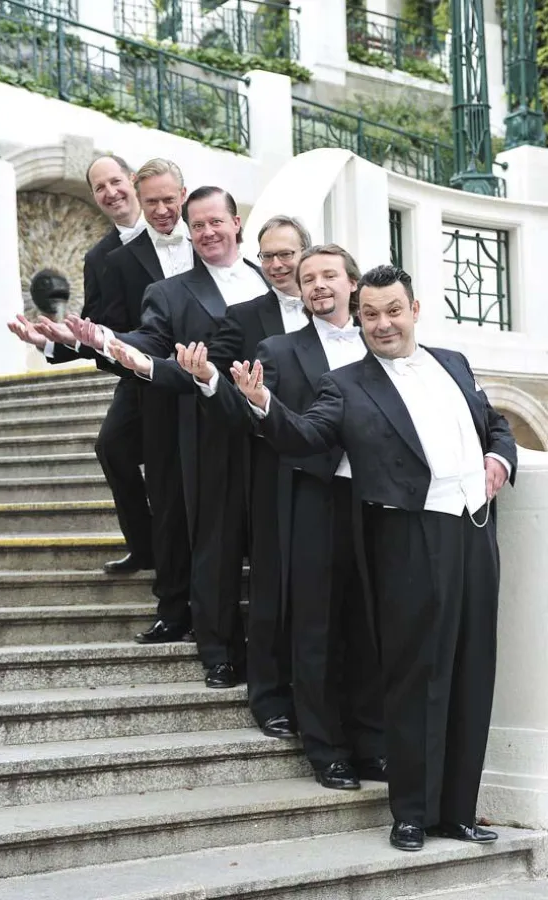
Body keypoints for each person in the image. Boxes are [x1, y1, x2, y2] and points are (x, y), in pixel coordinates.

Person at [230, 264, 516, 850]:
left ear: (415, 310)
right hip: (408, 539)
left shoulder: (454, 362)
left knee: (472, 670)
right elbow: (306, 436)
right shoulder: (347, 383)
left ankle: (458, 811)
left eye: (393, 311)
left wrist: (500, 459)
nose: (383, 324)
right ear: (358, 318)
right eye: (370, 315)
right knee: (415, 678)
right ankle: (411, 812)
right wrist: (263, 404)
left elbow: (497, 424)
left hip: (475, 533)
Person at [178, 245, 385, 788]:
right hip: (314, 502)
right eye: (307, 277)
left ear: (353, 284)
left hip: (380, 504)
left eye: (329, 276)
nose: (318, 285)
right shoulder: (278, 348)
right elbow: (244, 415)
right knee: (315, 629)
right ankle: (327, 750)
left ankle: (370, 742)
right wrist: (208, 382)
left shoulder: (380, 342)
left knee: (369, 626)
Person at [66, 187, 269, 689]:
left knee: (274, 546)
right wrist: (105, 341)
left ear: (236, 222)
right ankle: (218, 651)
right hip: (209, 434)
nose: (207, 233)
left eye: (215, 222)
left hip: (272, 432)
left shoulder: (273, 280)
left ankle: (270, 652)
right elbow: (151, 342)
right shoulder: (172, 292)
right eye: (197, 226)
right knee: (215, 547)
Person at [8, 157, 194, 643]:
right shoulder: (101, 258)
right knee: (118, 451)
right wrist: (54, 342)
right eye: (99, 187)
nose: (110, 192)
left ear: (132, 183)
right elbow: (92, 329)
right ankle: (149, 550)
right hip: (140, 376)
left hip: (201, 377)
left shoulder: (194, 233)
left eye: (116, 182)